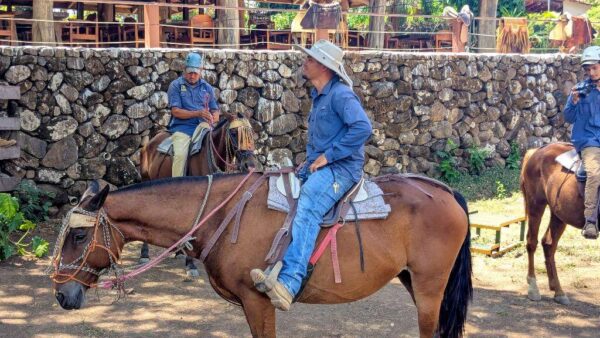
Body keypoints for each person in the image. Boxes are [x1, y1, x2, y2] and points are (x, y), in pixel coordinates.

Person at [250, 40, 373, 310]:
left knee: (307, 204)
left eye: (311, 60)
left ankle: (290, 282)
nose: (304, 62)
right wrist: (309, 163)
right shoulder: (320, 96)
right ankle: (276, 264)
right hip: (323, 166)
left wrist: (328, 156)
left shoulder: (340, 95)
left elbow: (363, 128)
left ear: (325, 67)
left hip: (342, 169)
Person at [564, 45, 600, 239]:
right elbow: (568, 117)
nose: (591, 72)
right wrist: (574, 101)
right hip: (588, 141)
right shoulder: (580, 90)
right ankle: (591, 221)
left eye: (594, 68)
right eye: (588, 69)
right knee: (594, 172)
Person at [167, 52, 220, 177]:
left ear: (200, 71)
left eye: (195, 72)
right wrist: (198, 113)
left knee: (217, 148)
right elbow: (176, 111)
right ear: (184, 70)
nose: (192, 75)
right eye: (190, 72)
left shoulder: (207, 87)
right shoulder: (176, 85)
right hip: (182, 129)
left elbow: (215, 109)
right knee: (180, 155)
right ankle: (177, 184)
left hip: (203, 127)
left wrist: (214, 117)